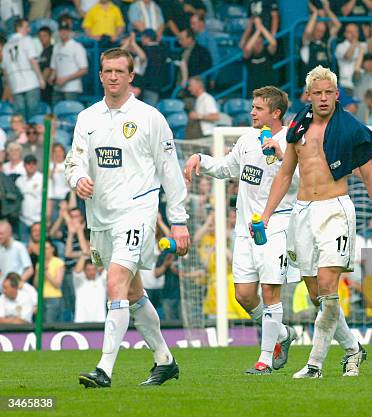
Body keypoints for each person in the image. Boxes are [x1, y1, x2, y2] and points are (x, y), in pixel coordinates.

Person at [260, 66, 372, 378]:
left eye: (328, 93)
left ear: (337, 95)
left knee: (327, 286)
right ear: (308, 95)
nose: (322, 98)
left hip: (335, 209)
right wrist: (266, 215)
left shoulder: (351, 129)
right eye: (317, 93)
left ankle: (314, 365)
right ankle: (352, 349)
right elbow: (284, 174)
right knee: (316, 296)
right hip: (302, 211)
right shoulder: (297, 126)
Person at [65, 48, 190, 387]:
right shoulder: (87, 118)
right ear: (101, 74)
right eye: (108, 71)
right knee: (133, 293)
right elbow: (73, 161)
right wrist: (77, 178)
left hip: (137, 212)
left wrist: (178, 220)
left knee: (115, 282)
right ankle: (165, 360)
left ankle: (104, 369)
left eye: (120, 71)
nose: (114, 76)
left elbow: (171, 172)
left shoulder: (151, 118)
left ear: (131, 76)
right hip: (101, 217)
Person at [182, 86, 300, 374]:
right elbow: (225, 168)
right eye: (253, 106)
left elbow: (303, 182)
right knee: (244, 295)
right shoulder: (247, 139)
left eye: (258, 108)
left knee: (270, 290)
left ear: (275, 113)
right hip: (246, 229)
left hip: (277, 225)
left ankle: (265, 359)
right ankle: (283, 335)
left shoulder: (292, 139)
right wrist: (202, 158)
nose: (251, 112)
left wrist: (282, 155)